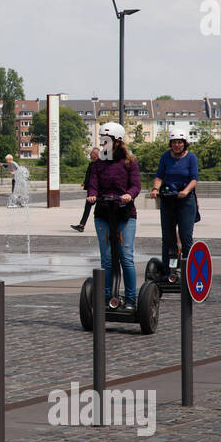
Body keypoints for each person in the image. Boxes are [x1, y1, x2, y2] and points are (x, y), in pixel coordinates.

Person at [86, 123, 140, 310]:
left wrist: (129, 195)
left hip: (125, 214)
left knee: (126, 257)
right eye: (102, 140)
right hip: (103, 213)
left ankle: (131, 299)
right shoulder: (98, 163)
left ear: (117, 141)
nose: (103, 144)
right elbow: (93, 184)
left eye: (107, 140)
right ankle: (106, 297)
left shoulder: (129, 161)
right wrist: (92, 194)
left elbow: (136, 186)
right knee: (107, 258)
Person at [150, 130, 200, 270]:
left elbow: (194, 179)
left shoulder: (191, 157)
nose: (177, 145)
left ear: (184, 144)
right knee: (167, 238)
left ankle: (188, 269)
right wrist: (155, 189)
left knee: (185, 236)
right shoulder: (165, 156)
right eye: (174, 143)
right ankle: (167, 271)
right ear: (170, 144)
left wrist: (185, 191)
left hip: (185, 200)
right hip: (169, 199)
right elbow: (159, 175)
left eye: (179, 142)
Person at [70, 146, 101, 232]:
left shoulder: (99, 164)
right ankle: (81, 225)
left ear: (95, 154)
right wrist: (85, 182)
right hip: (92, 189)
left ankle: (82, 225)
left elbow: (96, 177)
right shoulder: (92, 164)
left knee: (92, 207)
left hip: (95, 190)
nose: (90, 154)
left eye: (91, 153)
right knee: (88, 207)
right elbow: (89, 175)